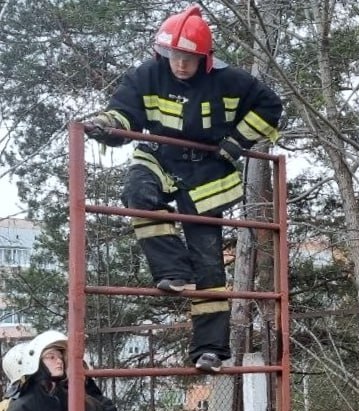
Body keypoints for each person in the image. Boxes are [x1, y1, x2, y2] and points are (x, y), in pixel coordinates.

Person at [84, 4, 283, 373]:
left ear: (206, 58)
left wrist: (238, 139)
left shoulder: (232, 81)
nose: (180, 64)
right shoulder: (146, 75)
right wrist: (105, 124)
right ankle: (174, 271)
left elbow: (270, 106)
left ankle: (210, 350)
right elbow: (123, 113)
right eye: (174, 55)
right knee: (138, 196)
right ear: (163, 52)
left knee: (209, 263)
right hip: (158, 157)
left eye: (189, 58)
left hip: (208, 173)